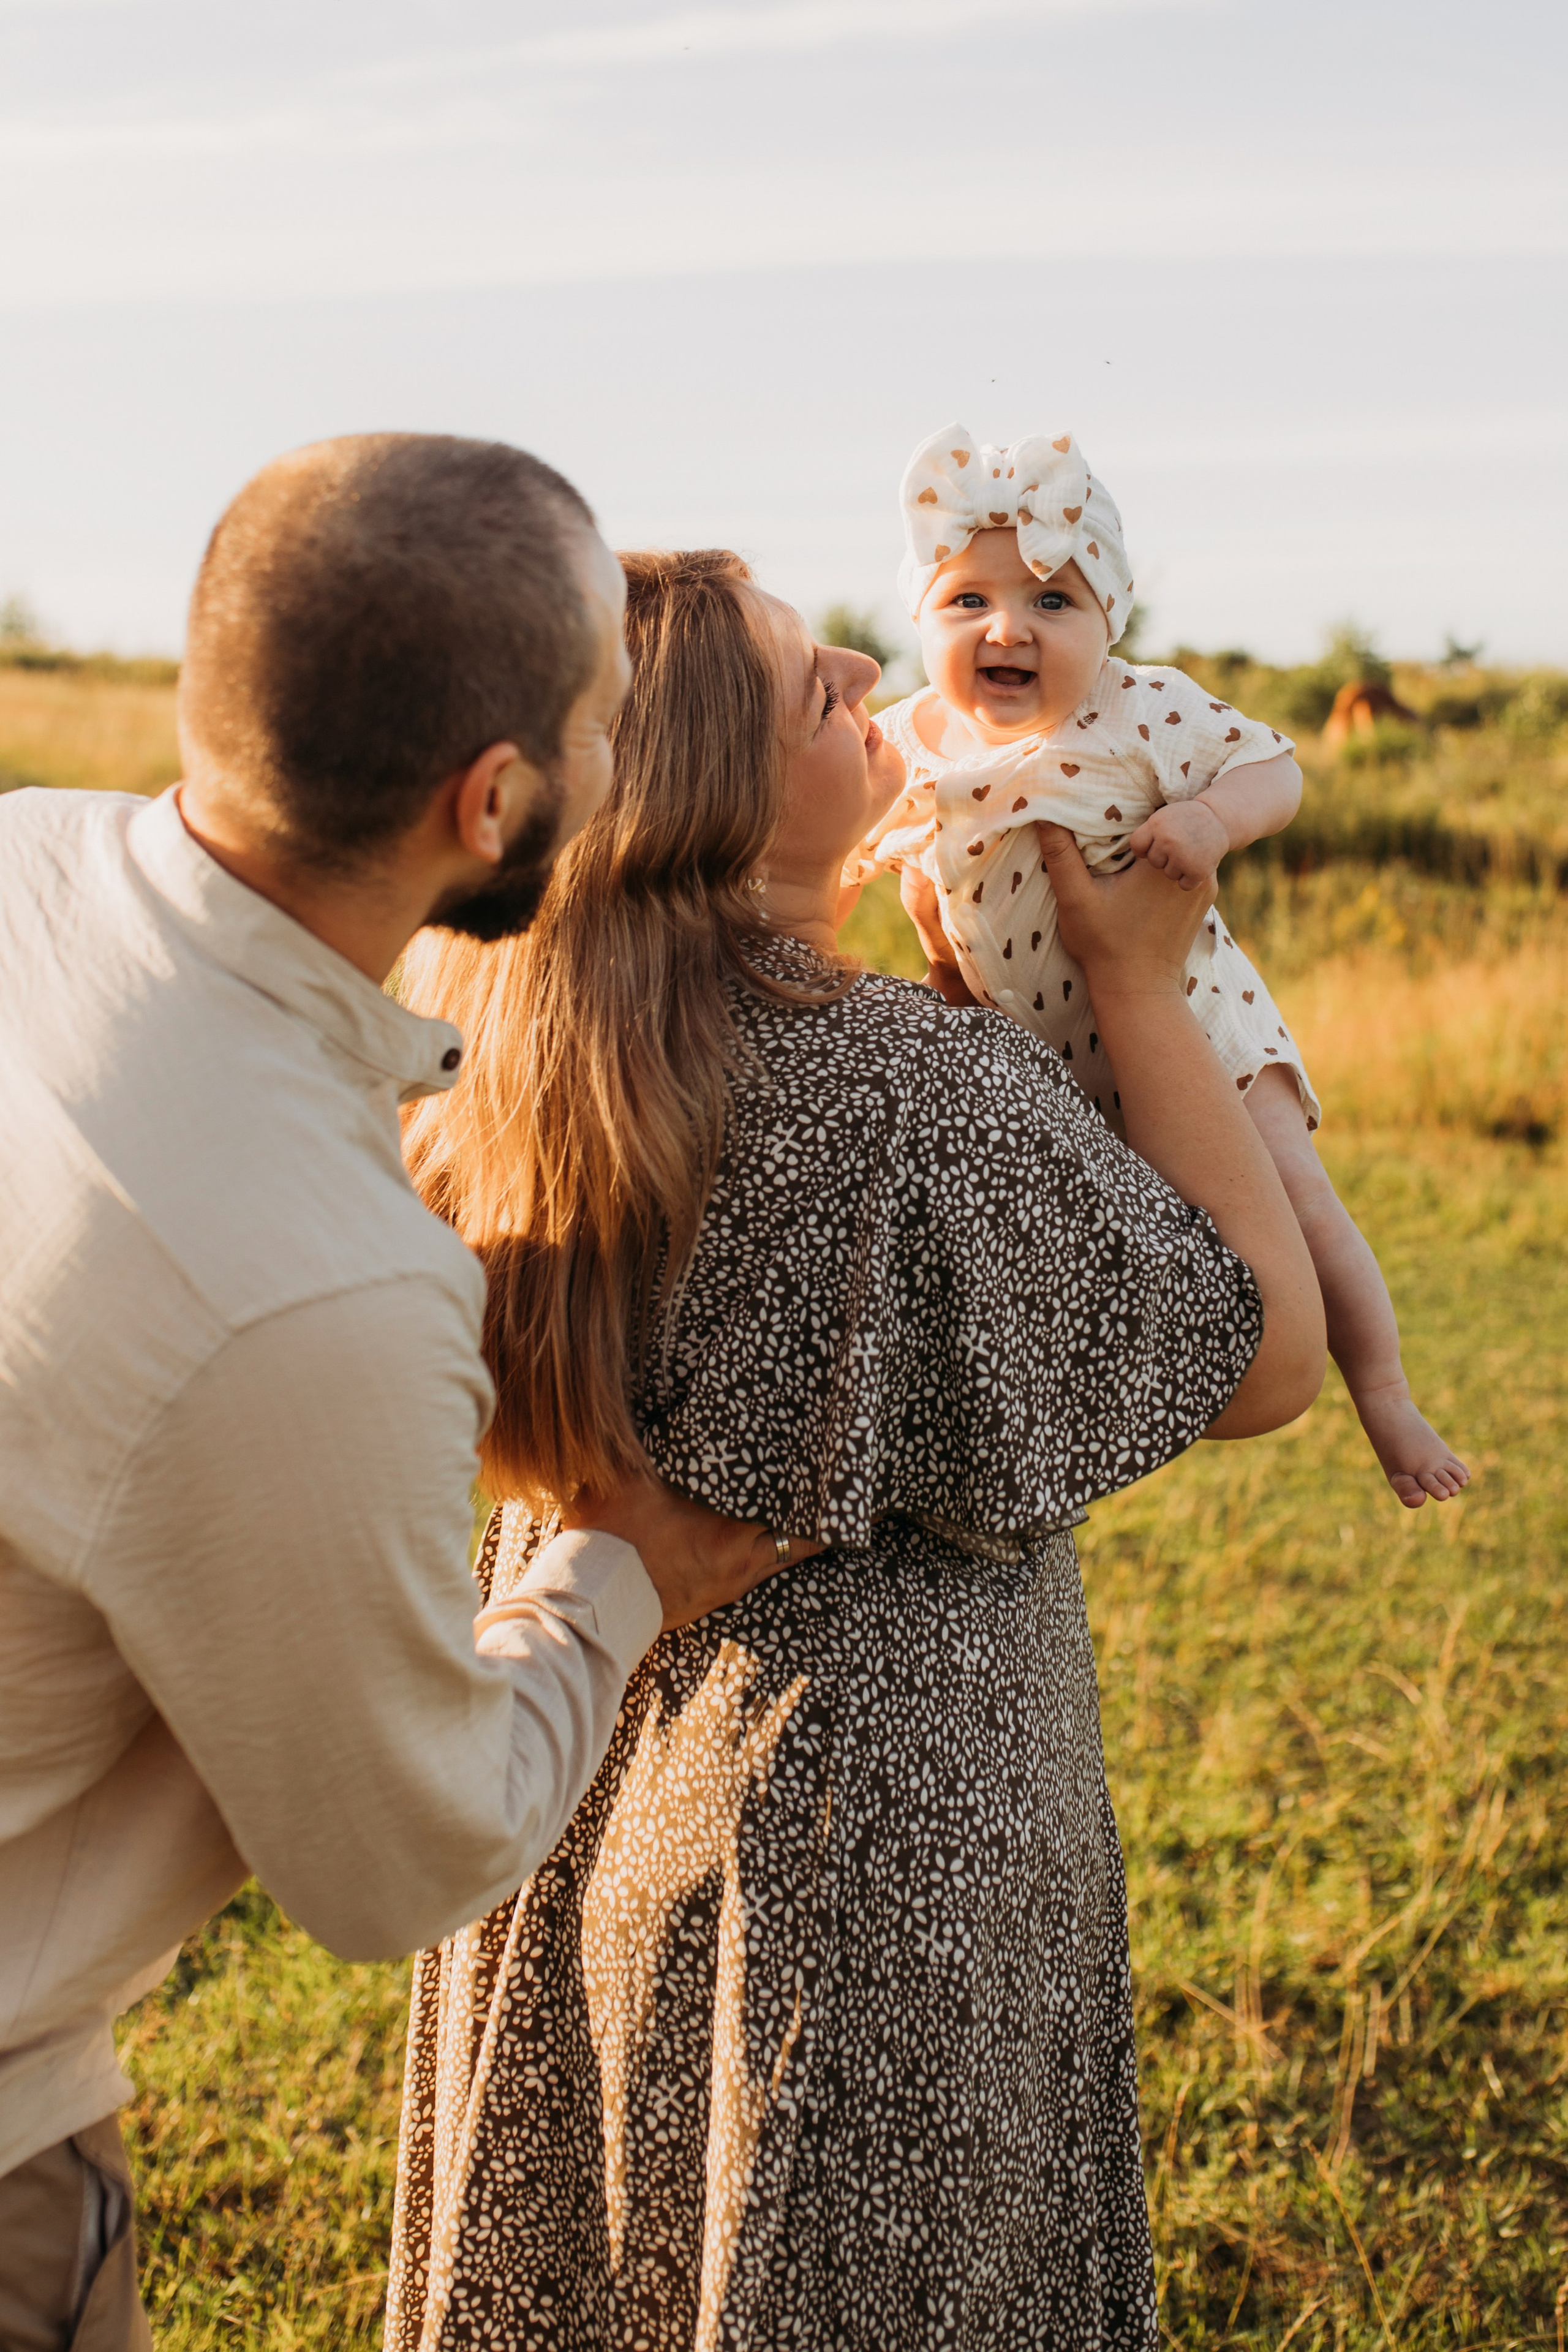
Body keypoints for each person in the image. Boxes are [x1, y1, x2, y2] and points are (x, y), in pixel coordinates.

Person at [383, 547, 1326, 2352]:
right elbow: (1264, 1353)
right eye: (819, 684)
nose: (871, 681)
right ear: (718, 785)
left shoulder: (517, 1048)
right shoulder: (898, 1086)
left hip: (578, 1776)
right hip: (875, 1845)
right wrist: (1142, 973)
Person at [0, 440, 803, 2352]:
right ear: (499, 799)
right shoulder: (325, 1298)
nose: (628, 764)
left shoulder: (26, 852)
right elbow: (396, 1854)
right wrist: (620, 1576)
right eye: (609, 727)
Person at [843, 420, 1469, 1512]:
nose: (1010, 628)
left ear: (1109, 620)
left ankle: (1383, 1390)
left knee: (1299, 1207)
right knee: (1120, 1252)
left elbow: (1274, 768)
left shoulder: (1139, 708)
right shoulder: (911, 744)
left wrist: (1216, 822)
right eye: (968, 603)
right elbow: (840, 844)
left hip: (1198, 1024)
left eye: (1053, 602)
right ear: (921, 618)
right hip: (1048, 1068)